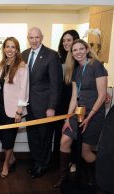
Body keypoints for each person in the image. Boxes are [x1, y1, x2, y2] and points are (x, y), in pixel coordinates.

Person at [54, 39, 107, 188]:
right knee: (64, 141)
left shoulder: (96, 65)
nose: (78, 52)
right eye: (75, 50)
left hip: (94, 114)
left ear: (87, 49)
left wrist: (89, 117)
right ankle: (63, 177)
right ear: (72, 53)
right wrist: (67, 119)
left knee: (85, 152)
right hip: (78, 114)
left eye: (81, 49)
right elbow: (73, 98)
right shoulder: (76, 70)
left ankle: (98, 177)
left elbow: (102, 95)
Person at [21, 27, 62, 179]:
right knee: (33, 137)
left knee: (44, 137)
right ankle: (36, 162)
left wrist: (51, 107)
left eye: (37, 37)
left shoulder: (51, 55)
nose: (34, 40)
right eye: (31, 38)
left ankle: (43, 165)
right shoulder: (24, 54)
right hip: (28, 106)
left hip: (44, 107)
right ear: (28, 38)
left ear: (42, 37)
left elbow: (55, 85)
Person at [0, 37, 29, 178]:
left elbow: (24, 89)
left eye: (13, 47)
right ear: (4, 49)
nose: (10, 49)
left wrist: (19, 110)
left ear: (17, 50)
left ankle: (6, 164)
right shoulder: (1, 65)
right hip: (1, 108)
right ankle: (12, 157)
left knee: (9, 138)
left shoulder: (22, 66)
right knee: (4, 138)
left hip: (14, 110)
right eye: (7, 46)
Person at [54, 30, 80, 172]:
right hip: (61, 102)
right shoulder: (59, 58)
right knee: (60, 133)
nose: (65, 43)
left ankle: (74, 162)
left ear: (75, 40)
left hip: (75, 101)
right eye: (64, 40)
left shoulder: (80, 60)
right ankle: (61, 162)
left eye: (69, 40)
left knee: (74, 134)